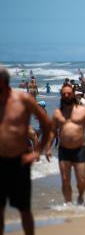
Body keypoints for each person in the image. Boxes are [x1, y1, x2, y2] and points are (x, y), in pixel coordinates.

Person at [0, 67, 51, 235]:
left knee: (24, 209)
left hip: (18, 161)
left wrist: (37, 152)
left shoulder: (22, 99)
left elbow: (47, 124)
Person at [46, 84, 85, 205]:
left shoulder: (82, 111)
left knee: (82, 180)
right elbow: (53, 132)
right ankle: (68, 203)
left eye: (69, 93)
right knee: (65, 180)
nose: (66, 95)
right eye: (64, 94)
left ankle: (80, 197)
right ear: (61, 96)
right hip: (64, 151)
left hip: (79, 150)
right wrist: (48, 147)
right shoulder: (58, 113)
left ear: (73, 94)